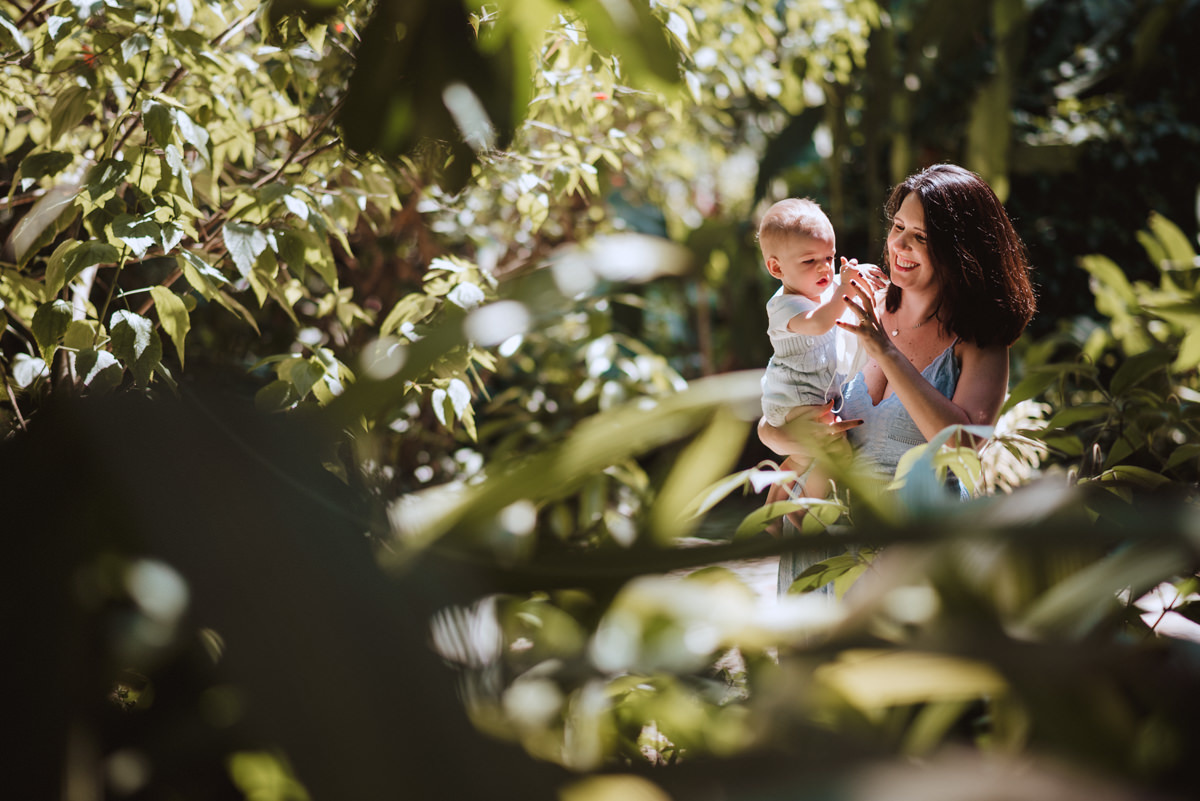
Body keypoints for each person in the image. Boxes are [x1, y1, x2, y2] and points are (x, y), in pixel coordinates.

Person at [760, 164, 1037, 594]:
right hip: (819, 551)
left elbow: (963, 446)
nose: (900, 245)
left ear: (960, 249)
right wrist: (789, 442)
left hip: (907, 562)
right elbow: (780, 402)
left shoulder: (980, 342)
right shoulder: (856, 303)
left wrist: (885, 351)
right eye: (898, 227)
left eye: (921, 237)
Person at [756, 198, 883, 506]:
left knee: (803, 457)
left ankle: (774, 507)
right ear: (776, 268)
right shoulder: (783, 306)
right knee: (835, 449)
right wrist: (844, 290)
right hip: (794, 399)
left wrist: (857, 274)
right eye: (809, 261)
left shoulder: (821, 289)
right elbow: (820, 322)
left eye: (830, 256)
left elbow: (838, 284)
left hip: (809, 397)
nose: (824, 267)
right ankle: (806, 512)